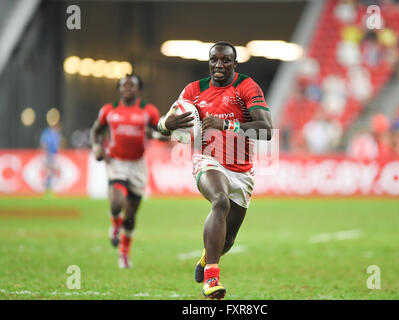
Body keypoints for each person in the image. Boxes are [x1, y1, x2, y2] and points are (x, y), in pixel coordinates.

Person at [157, 42, 273, 299]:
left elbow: (265, 129)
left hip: (241, 169)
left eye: (225, 60)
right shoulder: (193, 90)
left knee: (228, 241)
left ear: (235, 64)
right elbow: (162, 126)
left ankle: (206, 257)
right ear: (209, 62)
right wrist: (167, 123)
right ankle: (211, 279)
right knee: (220, 202)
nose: (218, 65)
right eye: (214, 60)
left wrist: (227, 125)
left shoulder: (246, 86)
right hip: (207, 159)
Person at [90, 74, 161, 269]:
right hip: (116, 162)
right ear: (119, 89)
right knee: (115, 203)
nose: (128, 88)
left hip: (138, 164)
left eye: (133, 85)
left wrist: (153, 133)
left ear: (139, 89)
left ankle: (124, 253)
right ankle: (114, 223)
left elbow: (163, 133)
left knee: (130, 216)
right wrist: (97, 148)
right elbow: (96, 131)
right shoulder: (109, 110)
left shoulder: (148, 110)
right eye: (124, 85)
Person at [40, 121, 62, 194]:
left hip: (53, 155)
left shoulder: (57, 134)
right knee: (50, 170)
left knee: (52, 171)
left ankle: (48, 186)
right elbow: (44, 143)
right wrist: (46, 153)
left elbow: (57, 146)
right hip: (49, 154)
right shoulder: (47, 133)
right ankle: (46, 186)